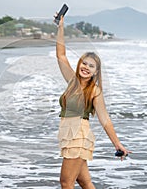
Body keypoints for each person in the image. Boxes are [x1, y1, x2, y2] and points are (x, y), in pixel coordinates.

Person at [55, 15, 131, 189]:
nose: (86, 67)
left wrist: (117, 143)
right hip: (68, 135)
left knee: (66, 182)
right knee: (84, 181)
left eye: (91, 66)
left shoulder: (95, 91)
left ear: (96, 72)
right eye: (84, 63)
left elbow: (105, 120)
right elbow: (61, 55)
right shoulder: (72, 81)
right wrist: (60, 28)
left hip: (79, 136)